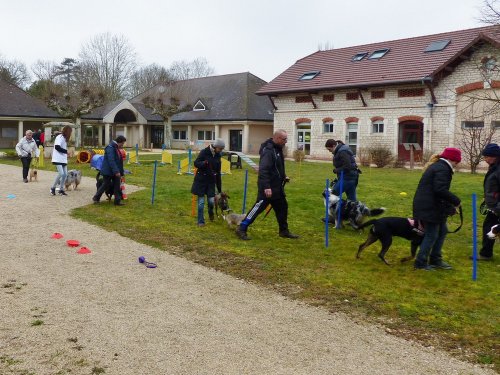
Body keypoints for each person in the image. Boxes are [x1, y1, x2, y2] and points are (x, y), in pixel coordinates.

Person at [236, 130, 299, 240]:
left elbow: (276, 168)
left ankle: (284, 231)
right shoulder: (268, 151)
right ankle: (241, 228)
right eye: (284, 139)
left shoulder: (277, 149)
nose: (286, 141)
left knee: (283, 208)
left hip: (277, 187)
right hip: (267, 188)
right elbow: (264, 170)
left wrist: (284, 176)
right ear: (278, 138)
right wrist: (267, 187)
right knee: (257, 209)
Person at [413, 147, 462, 270]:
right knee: (432, 234)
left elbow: (437, 192)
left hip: (431, 205)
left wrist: (449, 207)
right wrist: (456, 201)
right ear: (452, 159)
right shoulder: (442, 169)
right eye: (457, 162)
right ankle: (420, 262)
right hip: (428, 207)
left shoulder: (440, 167)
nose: (457, 165)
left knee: (442, 231)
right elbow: (439, 190)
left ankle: (435, 259)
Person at [191, 138, 225, 227]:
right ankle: (200, 221)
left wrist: (219, 189)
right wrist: (204, 163)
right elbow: (196, 163)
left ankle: (211, 213)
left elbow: (218, 173)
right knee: (201, 202)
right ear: (216, 146)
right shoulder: (204, 152)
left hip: (211, 182)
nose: (221, 150)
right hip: (201, 181)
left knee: (211, 202)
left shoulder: (218, 156)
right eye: (220, 148)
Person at [475, 143, 500, 260]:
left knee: (489, 227)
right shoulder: (494, 167)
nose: (485, 159)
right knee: (489, 227)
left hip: (497, 206)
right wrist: (487, 197)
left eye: (486, 157)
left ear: (494, 156)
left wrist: (497, 207)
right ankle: (486, 253)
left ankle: (486, 254)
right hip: (494, 205)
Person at [92, 135, 127, 206]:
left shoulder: (115, 147)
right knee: (105, 184)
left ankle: (117, 201)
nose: (122, 145)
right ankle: (96, 198)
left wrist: (121, 172)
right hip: (108, 171)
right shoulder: (110, 147)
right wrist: (116, 171)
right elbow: (111, 161)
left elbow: (118, 160)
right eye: (122, 143)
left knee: (117, 185)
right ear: (119, 142)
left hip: (114, 171)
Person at [50, 125, 73, 195]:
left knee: (65, 174)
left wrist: (67, 153)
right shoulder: (59, 137)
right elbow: (57, 147)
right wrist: (66, 151)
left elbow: (62, 147)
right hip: (57, 158)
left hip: (63, 159)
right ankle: (53, 188)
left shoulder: (64, 138)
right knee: (61, 173)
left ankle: (61, 189)